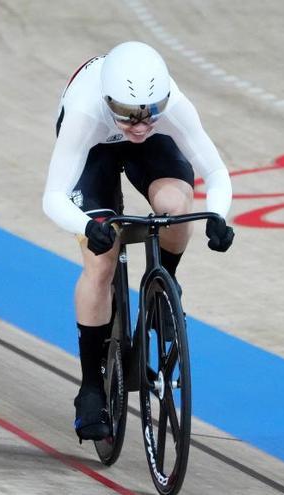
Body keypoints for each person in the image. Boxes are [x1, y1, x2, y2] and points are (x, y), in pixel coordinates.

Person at [42, 41, 235, 441]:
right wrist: (86, 225)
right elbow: (53, 197)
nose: (140, 124)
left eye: (150, 113)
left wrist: (217, 215)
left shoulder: (171, 106)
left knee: (176, 206)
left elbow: (215, 173)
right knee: (102, 257)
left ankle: (165, 282)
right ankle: (91, 384)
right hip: (94, 151)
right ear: (108, 100)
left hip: (149, 153)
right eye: (129, 115)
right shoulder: (85, 112)